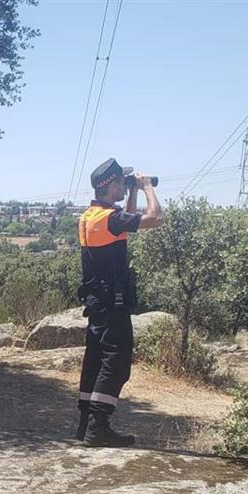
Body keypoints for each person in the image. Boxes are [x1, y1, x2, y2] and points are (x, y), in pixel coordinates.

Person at [74, 158, 163, 447]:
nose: (125, 186)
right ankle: (98, 427)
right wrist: (147, 187)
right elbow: (155, 219)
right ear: (112, 185)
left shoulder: (92, 216)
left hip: (96, 300)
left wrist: (132, 192)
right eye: (122, 183)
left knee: (96, 358)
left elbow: (125, 223)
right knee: (117, 360)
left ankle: (85, 424)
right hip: (112, 302)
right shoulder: (109, 219)